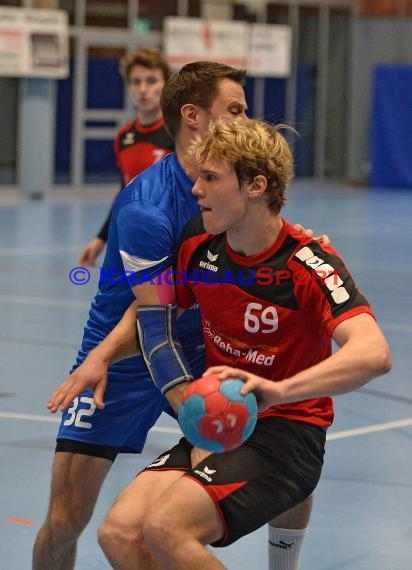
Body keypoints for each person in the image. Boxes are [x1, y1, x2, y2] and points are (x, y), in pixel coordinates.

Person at [41, 63, 322, 570]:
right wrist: (183, 404)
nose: (247, 119)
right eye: (234, 109)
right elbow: (154, 315)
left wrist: (302, 249)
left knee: (283, 440)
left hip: (200, 350)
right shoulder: (149, 208)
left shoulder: (231, 188)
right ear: (194, 117)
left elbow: (267, 236)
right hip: (125, 359)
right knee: (66, 518)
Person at [87, 118, 391, 569]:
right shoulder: (199, 247)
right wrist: (102, 355)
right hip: (217, 424)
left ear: (256, 185)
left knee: (167, 527)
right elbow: (154, 312)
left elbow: (374, 353)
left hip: (285, 435)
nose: (196, 190)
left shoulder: (308, 263)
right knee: (119, 533)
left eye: (211, 178)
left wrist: (279, 390)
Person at [78, 47, 173, 267]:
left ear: (166, 85)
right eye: (135, 82)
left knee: (149, 303)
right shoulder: (124, 137)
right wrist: (101, 239)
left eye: (151, 81)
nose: (143, 89)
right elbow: (125, 192)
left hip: (169, 245)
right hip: (132, 242)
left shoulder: (177, 134)